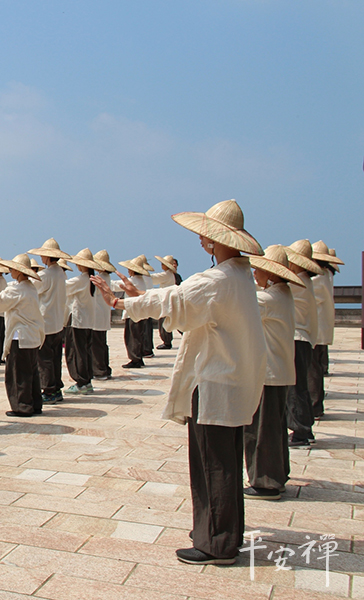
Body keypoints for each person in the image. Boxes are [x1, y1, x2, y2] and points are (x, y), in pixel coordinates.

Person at [92, 199, 266, 566]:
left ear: (214, 240)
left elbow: (178, 299)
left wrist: (123, 304)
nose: (202, 241)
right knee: (225, 463)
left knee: (211, 464)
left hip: (216, 384)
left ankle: (216, 542)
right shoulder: (240, 276)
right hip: (232, 384)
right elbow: (181, 301)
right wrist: (141, 298)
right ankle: (221, 531)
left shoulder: (218, 279)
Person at [244, 245, 301, 501]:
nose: (255, 273)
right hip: (278, 372)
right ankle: (276, 476)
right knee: (273, 429)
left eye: (259, 269)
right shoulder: (282, 293)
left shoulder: (269, 299)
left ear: (271, 274)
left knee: (262, 431)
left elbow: (239, 301)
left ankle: (266, 482)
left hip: (268, 374)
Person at [0, 254, 44, 417]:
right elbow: (5, 301)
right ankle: (35, 404)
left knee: (18, 374)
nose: (9, 271)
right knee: (31, 372)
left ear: (19, 271)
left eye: (12, 268)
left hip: (20, 337)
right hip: (32, 336)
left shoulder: (17, 288)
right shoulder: (29, 287)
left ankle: (22, 406)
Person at [284, 239, 323, 447]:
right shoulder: (304, 281)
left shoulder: (296, 283)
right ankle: (305, 428)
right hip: (303, 339)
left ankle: (300, 430)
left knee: (295, 386)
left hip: (297, 339)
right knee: (301, 386)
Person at [27, 239, 70, 404]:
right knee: (55, 357)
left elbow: (33, 289)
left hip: (46, 321)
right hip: (58, 321)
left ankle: (49, 390)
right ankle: (56, 388)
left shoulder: (46, 275)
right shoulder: (61, 273)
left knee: (44, 359)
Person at [309, 240, 341, 419]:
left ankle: (314, 406)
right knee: (316, 369)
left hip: (317, 331)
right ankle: (316, 404)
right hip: (321, 330)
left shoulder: (318, 279)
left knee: (313, 371)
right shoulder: (327, 275)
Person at [63, 248, 101, 395]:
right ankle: (87, 380)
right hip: (89, 320)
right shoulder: (92, 279)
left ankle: (81, 382)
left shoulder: (81, 279)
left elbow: (64, 288)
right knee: (85, 351)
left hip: (79, 321)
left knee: (76, 351)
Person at [113, 256, 149, 368]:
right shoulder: (141, 280)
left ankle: (135, 359)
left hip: (133, 313)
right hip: (139, 312)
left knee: (132, 337)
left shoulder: (133, 281)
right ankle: (138, 358)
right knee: (137, 336)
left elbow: (116, 285)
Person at [90, 250, 115, 380]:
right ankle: (104, 368)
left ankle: (99, 370)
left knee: (97, 345)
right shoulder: (107, 277)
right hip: (104, 314)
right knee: (102, 344)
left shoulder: (99, 279)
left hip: (97, 315)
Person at [151, 255, 181, 350]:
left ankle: (167, 342)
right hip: (171, 301)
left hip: (166, 301)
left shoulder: (166, 275)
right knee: (174, 321)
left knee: (164, 322)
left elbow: (153, 278)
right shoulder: (171, 275)